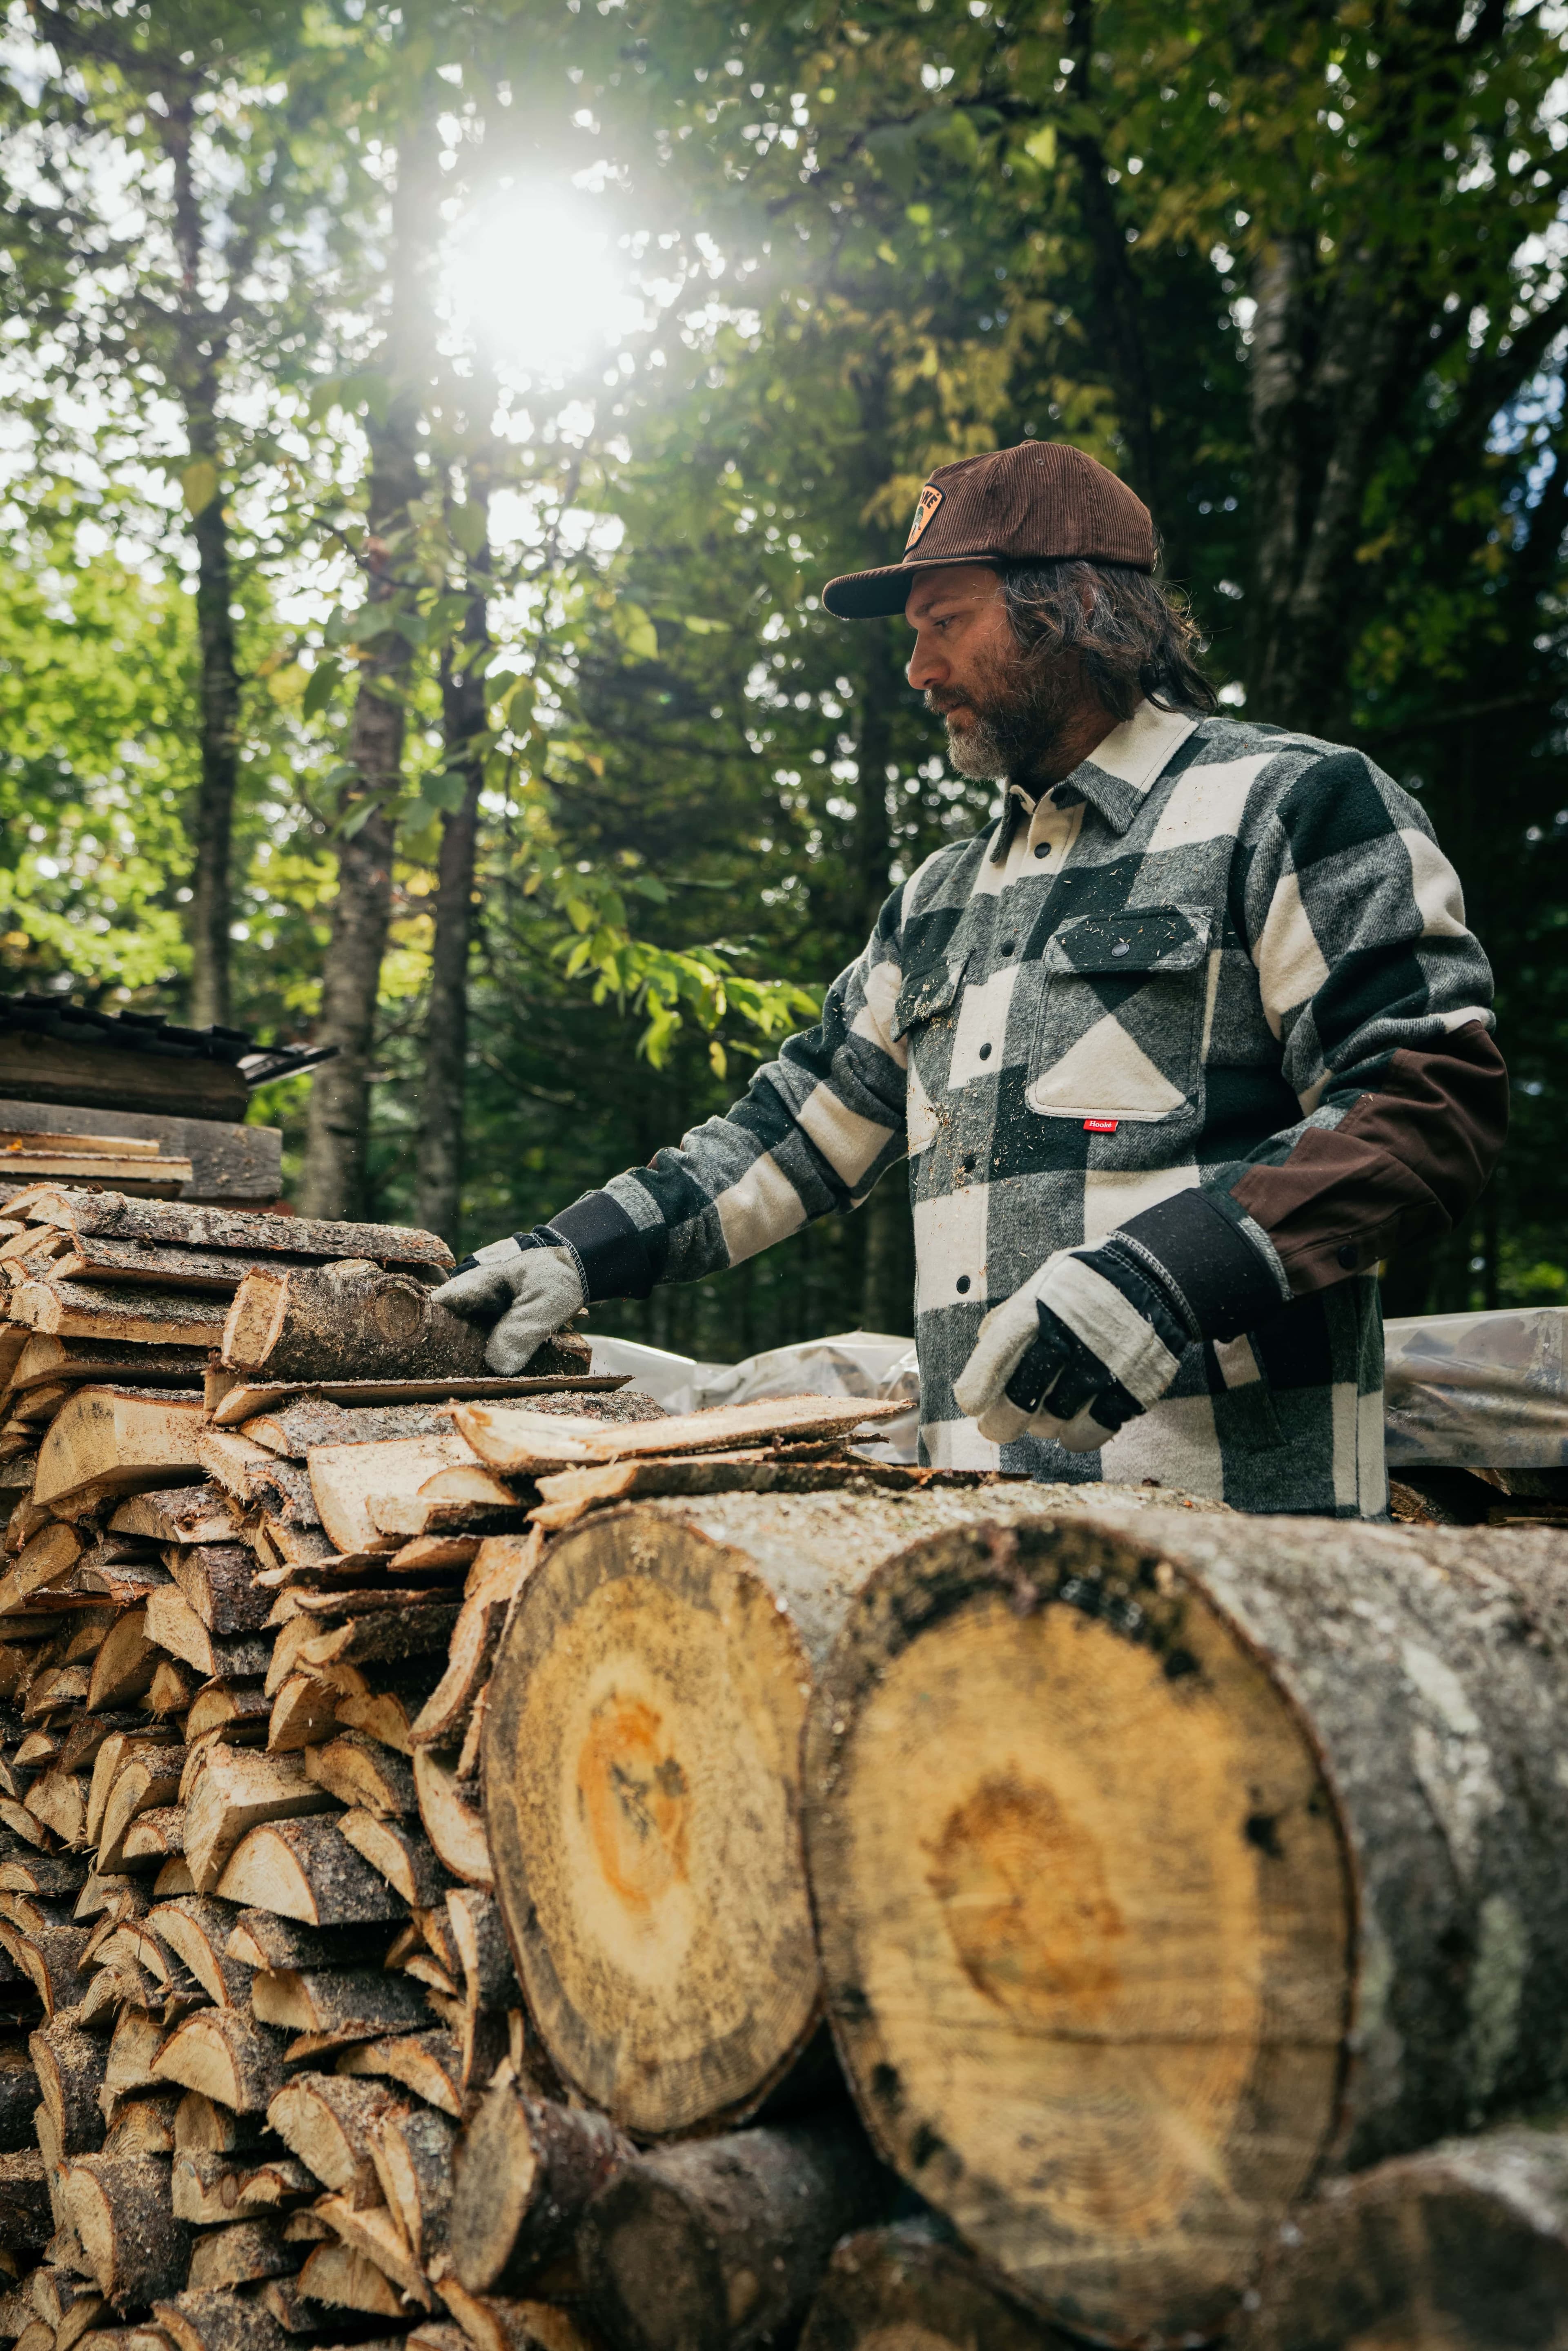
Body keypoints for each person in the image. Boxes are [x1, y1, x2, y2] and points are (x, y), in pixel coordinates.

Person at [434, 440, 1506, 1514]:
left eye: (947, 623)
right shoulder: (940, 900)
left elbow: (1425, 1102)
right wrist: (574, 1252)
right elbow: (789, 1136)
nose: (919, 670)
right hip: (974, 1549)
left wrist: (1165, 1276)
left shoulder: (1297, 806)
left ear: (1078, 606)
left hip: (1252, 1560)